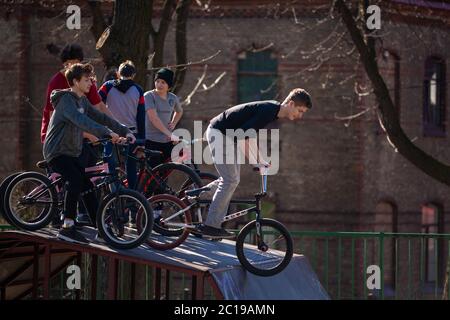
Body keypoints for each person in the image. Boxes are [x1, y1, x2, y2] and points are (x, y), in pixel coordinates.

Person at [193, 88, 313, 238]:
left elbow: (248, 135)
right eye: (300, 111)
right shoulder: (269, 111)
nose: (300, 116)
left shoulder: (272, 111)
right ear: (291, 103)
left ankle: (194, 196)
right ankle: (210, 226)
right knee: (230, 180)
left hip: (227, 136)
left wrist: (259, 161)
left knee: (231, 179)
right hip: (220, 133)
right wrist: (258, 161)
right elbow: (245, 136)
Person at [43, 63, 135, 244]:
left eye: (91, 80)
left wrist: (124, 131)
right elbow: (81, 121)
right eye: (86, 80)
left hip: (72, 152)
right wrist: (107, 133)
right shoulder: (66, 101)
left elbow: (101, 117)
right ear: (75, 81)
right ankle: (67, 227)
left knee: (87, 187)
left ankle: (101, 227)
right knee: (75, 179)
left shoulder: (83, 101)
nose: (91, 83)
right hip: (57, 151)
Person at [40, 43, 115, 226]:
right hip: (60, 140)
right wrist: (91, 134)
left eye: (75, 63)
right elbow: (59, 117)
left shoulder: (85, 85)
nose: (71, 67)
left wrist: (120, 129)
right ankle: (66, 218)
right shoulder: (58, 86)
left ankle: (98, 222)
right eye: (68, 63)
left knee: (85, 182)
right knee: (73, 178)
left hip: (76, 138)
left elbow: (98, 109)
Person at [98, 60, 146, 190]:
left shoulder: (107, 86)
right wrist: (142, 140)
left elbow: (95, 103)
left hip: (111, 133)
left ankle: (114, 197)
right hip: (132, 134)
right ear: (133, 75)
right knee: (131, 168)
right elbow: (141, 117)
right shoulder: (138, 90)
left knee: (110, 166)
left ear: (118, 74)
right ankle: (133, 200)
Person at [144, 68, 183, 168]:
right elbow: (153, 118)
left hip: (166, 141)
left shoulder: (172, 98)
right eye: (157, 81)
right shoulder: (149, 96)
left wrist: (173, 123)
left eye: (163, 82)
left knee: (164, 175)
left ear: (169, 86)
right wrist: (169, 133)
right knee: (152, 174)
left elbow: (179, 111)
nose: (159, 85)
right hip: (151, 141)